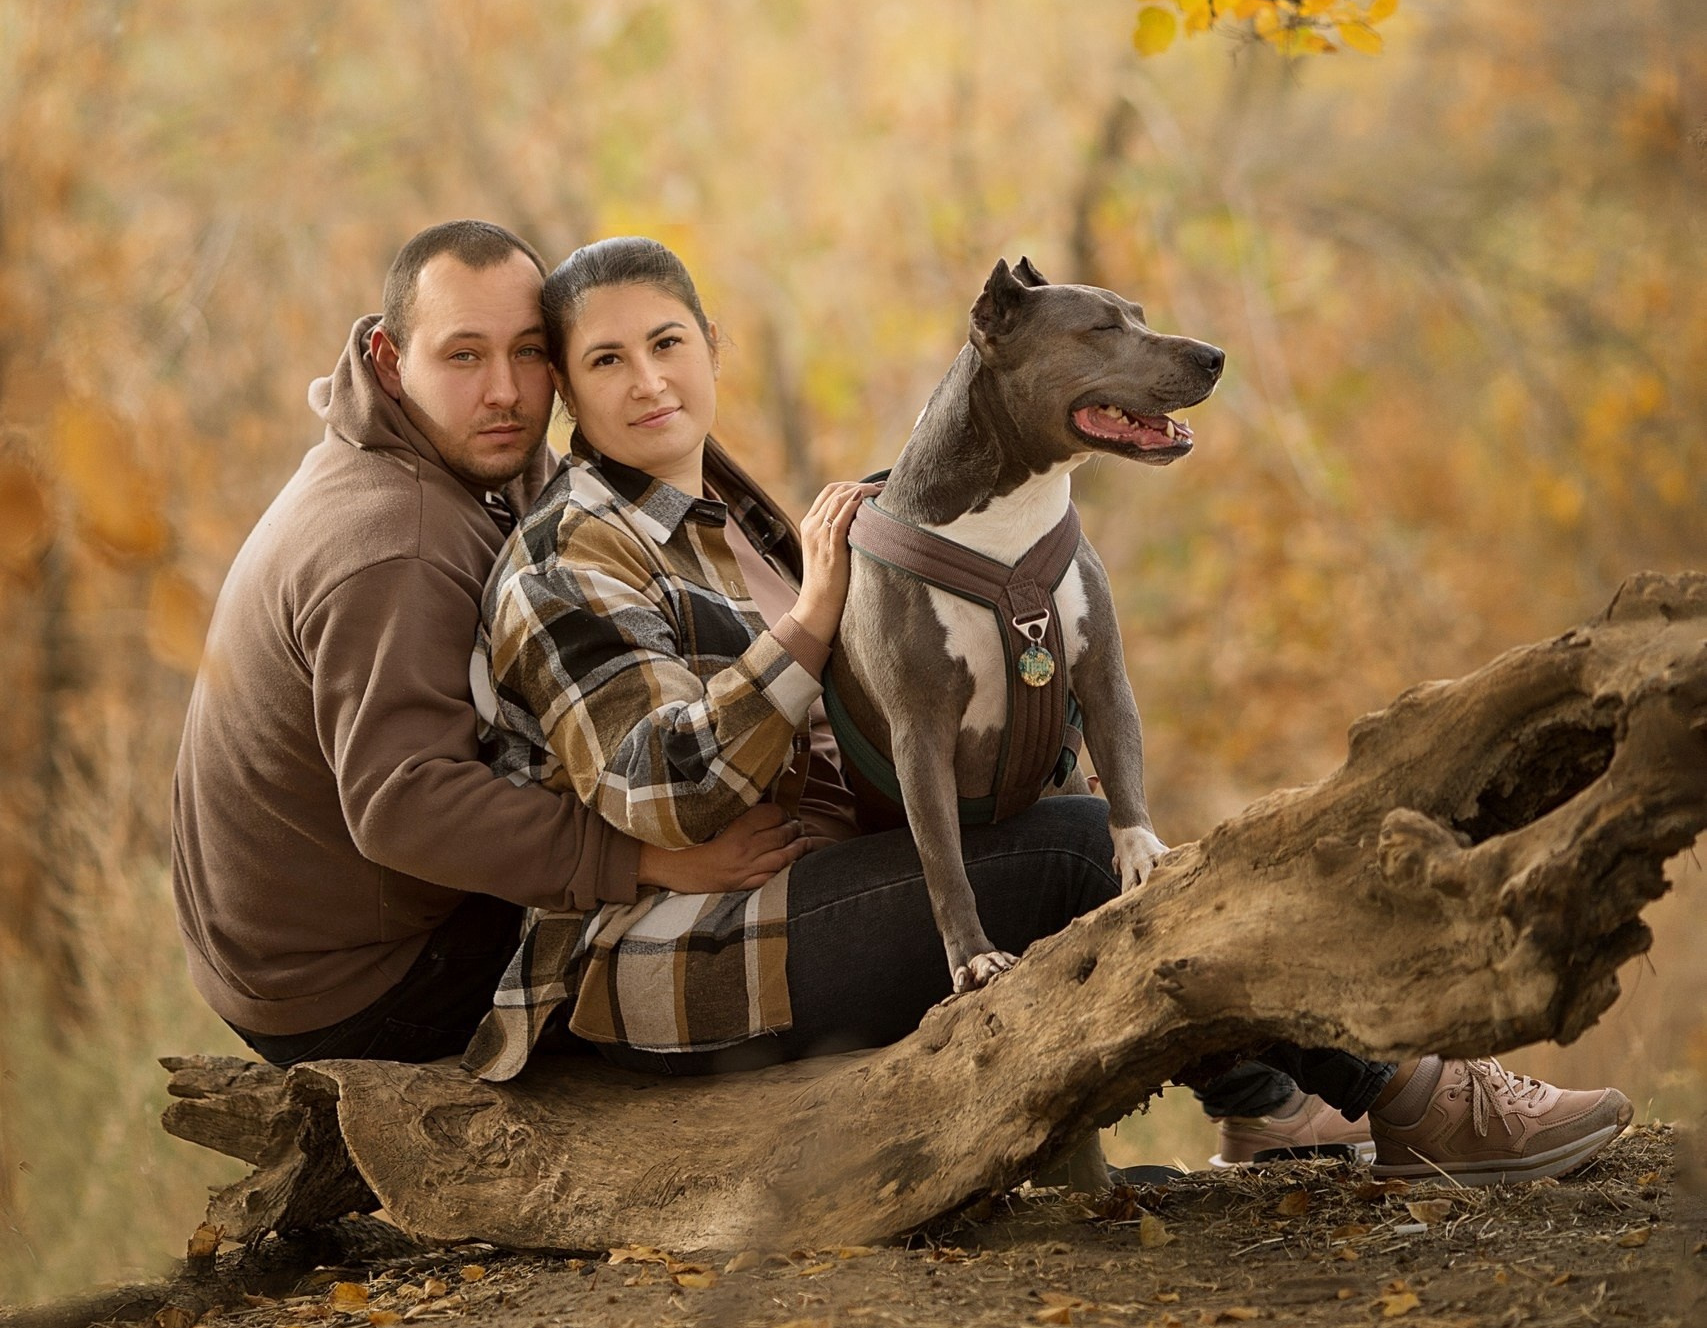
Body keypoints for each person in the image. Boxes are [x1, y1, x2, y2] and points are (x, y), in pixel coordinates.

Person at [462, 237, 1629, 1187]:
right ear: (567, 386)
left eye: (668, 342)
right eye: (607, 360)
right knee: (1083, 853)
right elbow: (656, 791)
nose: (650, 378)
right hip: (681, 964)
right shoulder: (566, 553)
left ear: (711, 348)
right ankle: (1418, 1096)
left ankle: (1265, 1100)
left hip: (805, 882)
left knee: (1089, 818)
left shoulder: (731, 517)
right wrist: (811, 619)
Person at [171, 219, 789, 1067]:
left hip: (333, 936)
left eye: (529, 352)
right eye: (463, 356)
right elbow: (404, 804)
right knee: (720, 931)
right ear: (392, 361)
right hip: (354, 988)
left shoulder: (450, 450)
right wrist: (642, 860)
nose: (505, 391)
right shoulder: (399, 543)